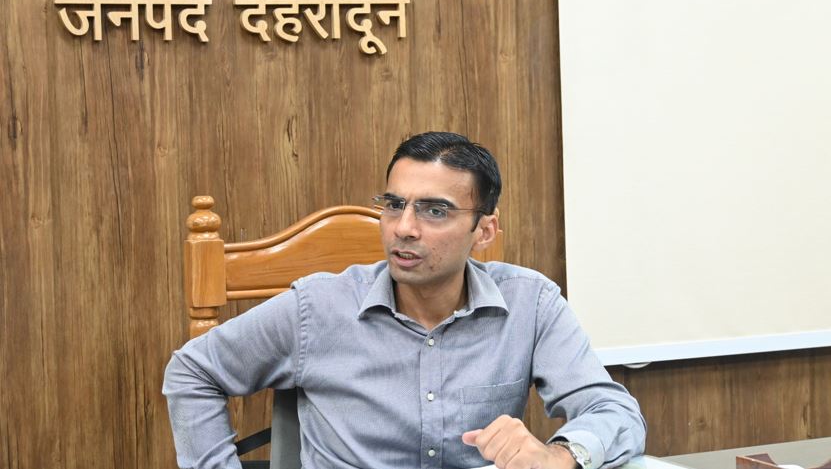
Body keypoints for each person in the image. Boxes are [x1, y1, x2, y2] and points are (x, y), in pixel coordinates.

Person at [163, 132, 646, 469]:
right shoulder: (318, 307)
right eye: (394, 205)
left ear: (484, 231)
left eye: (434, 211)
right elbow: (192, 371)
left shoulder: (530, 302)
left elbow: (614, 411)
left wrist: (560, 456)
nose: (404, 228)